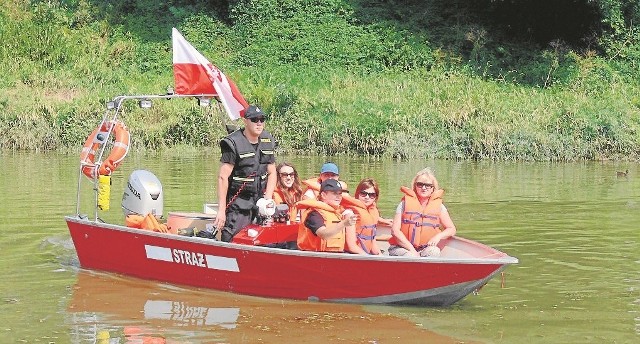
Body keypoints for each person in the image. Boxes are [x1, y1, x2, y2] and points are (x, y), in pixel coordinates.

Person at [214, 105, 277, 242]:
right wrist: (221, 210)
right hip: (238, 205)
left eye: (262, 119)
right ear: (245, 121)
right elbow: (223, 177)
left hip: (260, 202)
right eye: (255, 119)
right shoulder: (233, 143)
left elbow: (272, 172)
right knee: (233, 238)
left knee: (267, 239)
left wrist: (267, 199)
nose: (259, 123)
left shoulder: (268, 140)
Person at [388, 168, 456, 257]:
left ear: (433, 188)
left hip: (425, 248)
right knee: (410, 256)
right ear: (415, 186)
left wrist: (438, 236)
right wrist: (412, 250)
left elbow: (451, 229)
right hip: (402, 248)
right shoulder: (404, 204)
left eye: (427, 185)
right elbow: (395, 231)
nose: (423, 188)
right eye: (420, 185)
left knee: (434, 251)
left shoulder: (439, 206)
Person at [297, 179, 357, 252]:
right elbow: (323, 234)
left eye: (340, 193)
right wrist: (344, 223)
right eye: (334, 193)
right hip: (316, 258)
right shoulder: (314, 214)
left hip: (335, 257)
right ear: (323, 195)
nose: (338, 197)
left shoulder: (337, 213)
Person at [341, 178, 391, 255]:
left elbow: (372, 243)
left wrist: (380, 257)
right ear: (357, 194)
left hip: (365, 254)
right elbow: (351, 246)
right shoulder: (350, 213)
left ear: (375, 197)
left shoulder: (372, 213)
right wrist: (367, 257)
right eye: (363, 193)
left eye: (372, 195)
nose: (367, 197)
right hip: (351, 255)